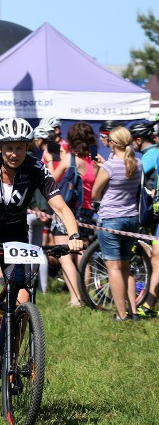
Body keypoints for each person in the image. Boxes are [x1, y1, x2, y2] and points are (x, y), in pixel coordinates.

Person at [0, 118, 83, 359]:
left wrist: (74, 235)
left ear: (28, 147)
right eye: (9, 148)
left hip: (15, 232)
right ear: (1, 148)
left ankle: (11, 360)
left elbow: (62, 208)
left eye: (21, 148)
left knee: (22, 296)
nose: (14, 154)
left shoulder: (35, 169)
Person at [91, 126, 143, 321]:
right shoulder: (136, 163)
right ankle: (134, 311)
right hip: (131, 219)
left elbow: (96, 193)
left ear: (112, 143)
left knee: (113, 268)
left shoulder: (110, 167)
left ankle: (121, 314)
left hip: (111, 219)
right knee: (126, 266)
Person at [47, 122, 99, 306]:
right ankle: (85, 296)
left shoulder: (70, 158)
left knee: (64, 255)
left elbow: (51, 179)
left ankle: (75, 298)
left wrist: (48, 159)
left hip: (67, 209)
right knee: (82, 254)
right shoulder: (94, 159)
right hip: (85, 211)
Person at [130, 120, 159, 317]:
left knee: (157, 261)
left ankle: (148, 306)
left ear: (139, 140)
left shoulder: (150, 156)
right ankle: (149, 304)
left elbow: (131, 174)